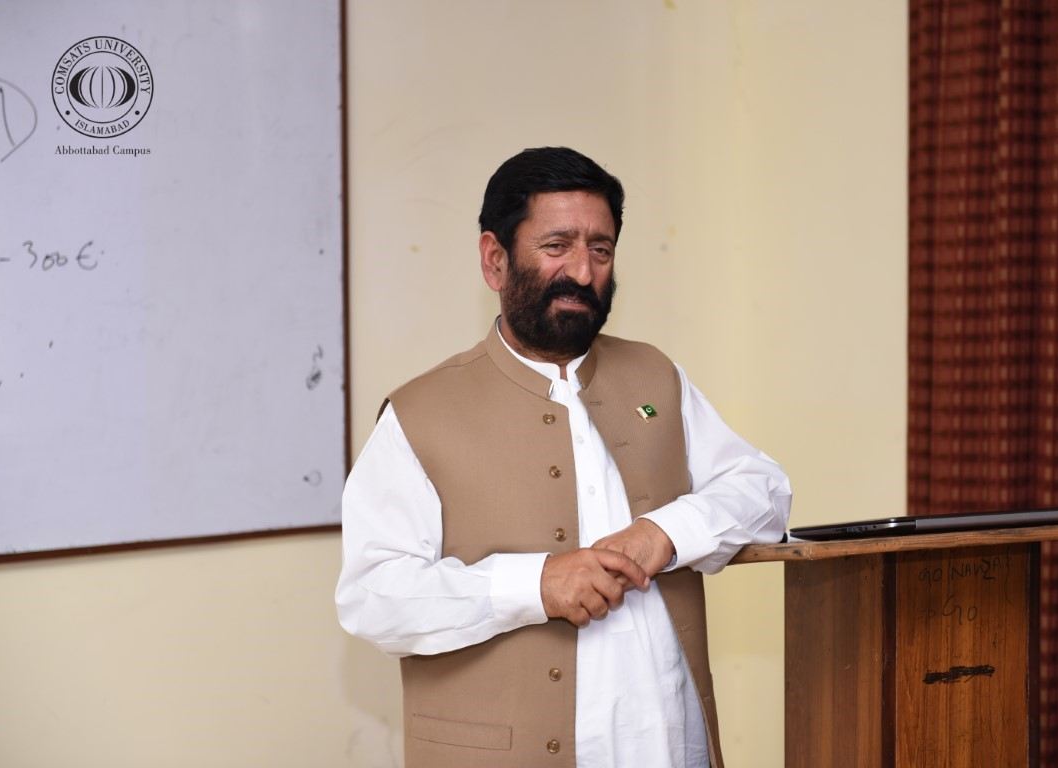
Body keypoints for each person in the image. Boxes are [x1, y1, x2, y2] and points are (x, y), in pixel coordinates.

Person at [335, 146, 791, 768]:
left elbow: (764, 491)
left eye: (601, 250)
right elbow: (373, 597)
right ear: (495, 259)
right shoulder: (420, 413)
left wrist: (664, 532)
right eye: (557, 246)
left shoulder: (655, 376)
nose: (582, 270)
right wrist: (535, 585)